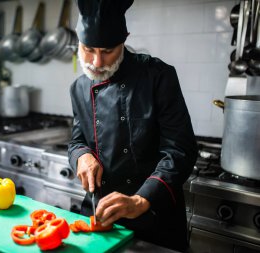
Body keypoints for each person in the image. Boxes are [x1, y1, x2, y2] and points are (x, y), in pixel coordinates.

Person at [68, 0, 198, 252]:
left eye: (107, 51)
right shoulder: (79, 87)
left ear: (124, 41)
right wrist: (81, 156)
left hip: (153, 216)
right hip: (99, 212)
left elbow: (180, 150)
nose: (96, 62)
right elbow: (76, 141)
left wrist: (141, 199)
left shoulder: (157, 76)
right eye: (88, 49)